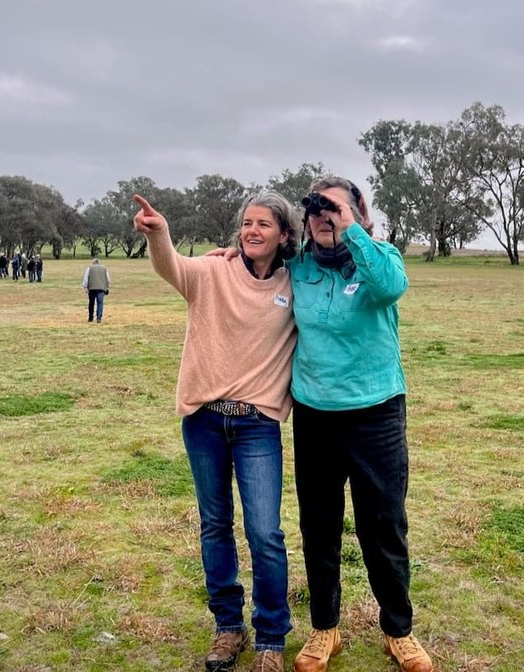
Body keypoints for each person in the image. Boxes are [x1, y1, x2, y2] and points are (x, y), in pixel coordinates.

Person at [132, 190, 301, 672]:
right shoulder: (212, 272)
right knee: (215, 526)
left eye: (264, 225)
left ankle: (271, 637)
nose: (251, 231)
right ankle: (228, 626)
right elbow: (173, 269)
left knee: (265, 532)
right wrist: (159, 234)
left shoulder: (296, 285)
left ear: (283, 234)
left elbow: (326, 259)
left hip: (257, 426)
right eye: (247, 223)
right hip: (203, 420)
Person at [288, 177, 432, 672]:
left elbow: (392, 288)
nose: (323, 217)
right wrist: (233, 254)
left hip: (376, 414)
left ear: (359, 212)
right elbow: (255, 269)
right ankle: (325, 629)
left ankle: (399, 631)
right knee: (319, 526)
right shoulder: (299, 267)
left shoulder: (381, 256)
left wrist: (349, 229)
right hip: (314, 416)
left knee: (383, 525)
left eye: (335, 208)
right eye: (316, 210)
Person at [82, 258, 110, 323]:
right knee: (100, 303)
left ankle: (90, 317)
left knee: (91, 303)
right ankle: (99, 318)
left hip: (91, 288)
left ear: (93, 263)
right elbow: (108, 280)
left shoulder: (89, 268)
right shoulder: (104, 269)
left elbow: (86, 279)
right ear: (99, 263)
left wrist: (85, 287)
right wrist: (106, 287)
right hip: (101, 288)